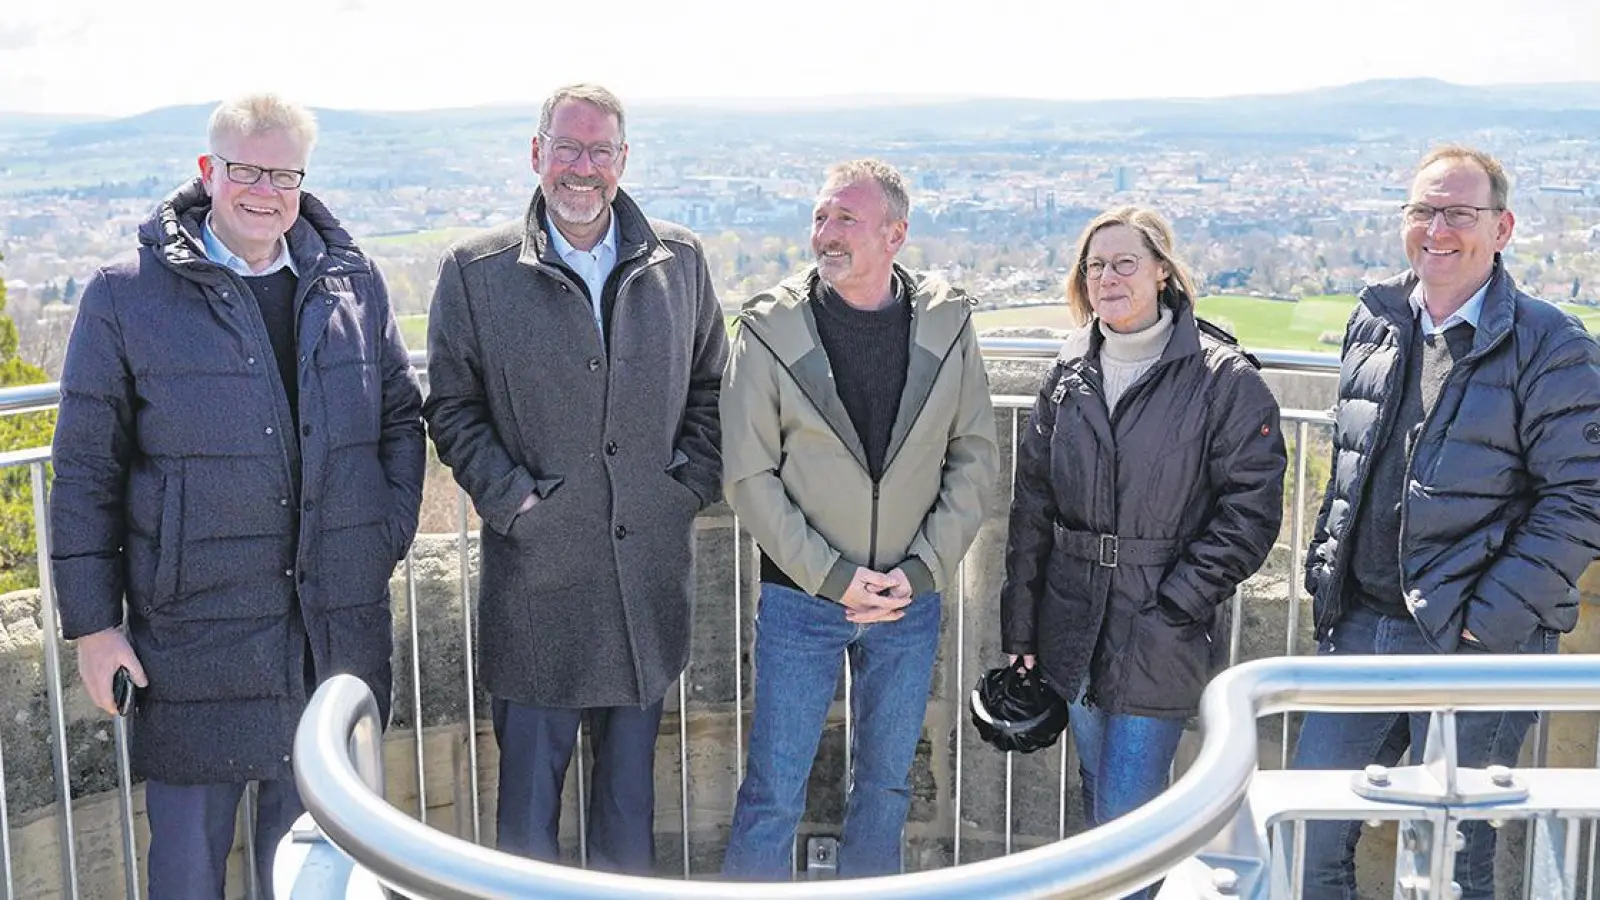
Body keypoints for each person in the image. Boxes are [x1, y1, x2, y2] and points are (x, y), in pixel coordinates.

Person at [50, 93, 425, 900]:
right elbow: (85, 467)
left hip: (330, 633)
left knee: (318, 878)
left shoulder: (352, 283)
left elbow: (399, 416)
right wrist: (91, 627)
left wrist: (380, 535)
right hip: (191, 642)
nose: (266, 189)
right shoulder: (126, 295)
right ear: (207, 172)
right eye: (246, 169)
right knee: (187, 875)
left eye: (284, 172)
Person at [422, 83, 727, 873]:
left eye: (599, 152)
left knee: (628, 814)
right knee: (526, 821)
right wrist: (515, 502)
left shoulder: (679, 261)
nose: (582, 168)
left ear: (622, 162)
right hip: (538, 586)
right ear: (536, 154)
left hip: (644, 586)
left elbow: (711, 388)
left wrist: (684, 485)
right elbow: (452, 407)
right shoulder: (475, 272)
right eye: (567, 148)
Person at [1293, 145, 1600, 899]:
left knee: (1451, 858)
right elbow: (1356, 465)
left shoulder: (1552, 344)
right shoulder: (1376, 319)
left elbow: (1582, 498)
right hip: (1364, 626)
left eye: (1460, 213)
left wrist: (1484, 621)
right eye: (1424, 210)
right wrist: (1328, 578)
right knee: (1303, 833)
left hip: (1478, 642)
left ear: (1502, 228)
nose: (1439, 229)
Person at [720, 158, 998, 879]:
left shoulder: (946, 324)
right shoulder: (770, 329)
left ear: (896, 233)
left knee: (886, 790)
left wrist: (920, 570)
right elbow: (749, 476)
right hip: (800, 597)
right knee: (771, 795)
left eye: (846, 217)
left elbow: (973, 457)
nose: (826, 232)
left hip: (910, 600)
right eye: (820, 216)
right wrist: (834, 577)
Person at [999, 206, 1286, 896]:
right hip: (1073, 625)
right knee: (1098, 807)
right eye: (1095, 265)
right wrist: (1021, 629)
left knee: (1127, 827)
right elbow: (1032, 506)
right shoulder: (1070, 369)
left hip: (1157, 630)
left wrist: (1176, 605)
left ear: (1163, 271)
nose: (1108, 277)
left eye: (1125, 262)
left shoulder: (1222, 378)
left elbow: (1250, 513)